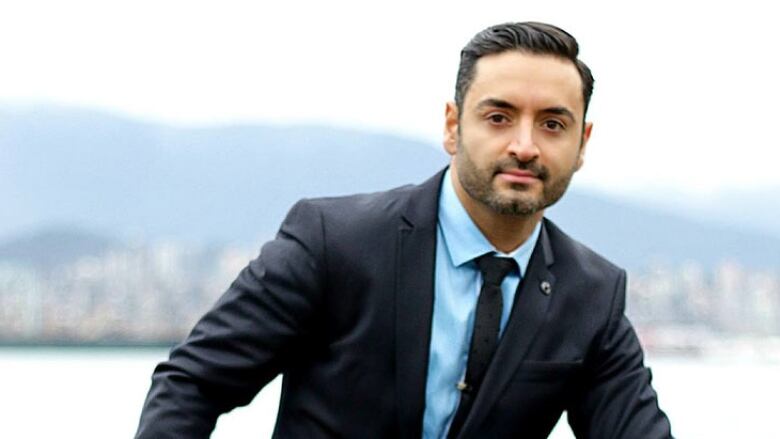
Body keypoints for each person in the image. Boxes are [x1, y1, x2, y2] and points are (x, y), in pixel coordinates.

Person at [135, 21, 672, 438]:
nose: (525, 145)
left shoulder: (591, 294)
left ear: (582, 144)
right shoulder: (333, 242)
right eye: (499, 117)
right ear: (452, 125)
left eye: (553, 124)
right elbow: (192, 385)